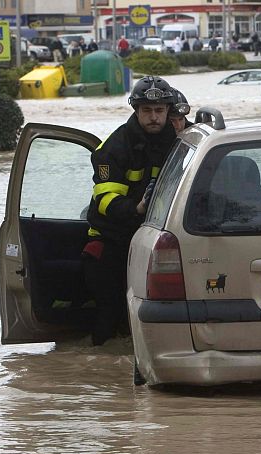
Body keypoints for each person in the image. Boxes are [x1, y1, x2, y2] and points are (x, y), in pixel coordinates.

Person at [82, 75, 178, 345]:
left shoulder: (180, 141)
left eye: (159, 110)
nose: (154, 117)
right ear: (136, 110)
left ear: (168, 110)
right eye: (147, 111)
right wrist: (137, 207)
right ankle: (101, 368)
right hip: (111, 239)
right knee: (110, 312)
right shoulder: (113, 148)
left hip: (157, 238)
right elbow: (105, 200)